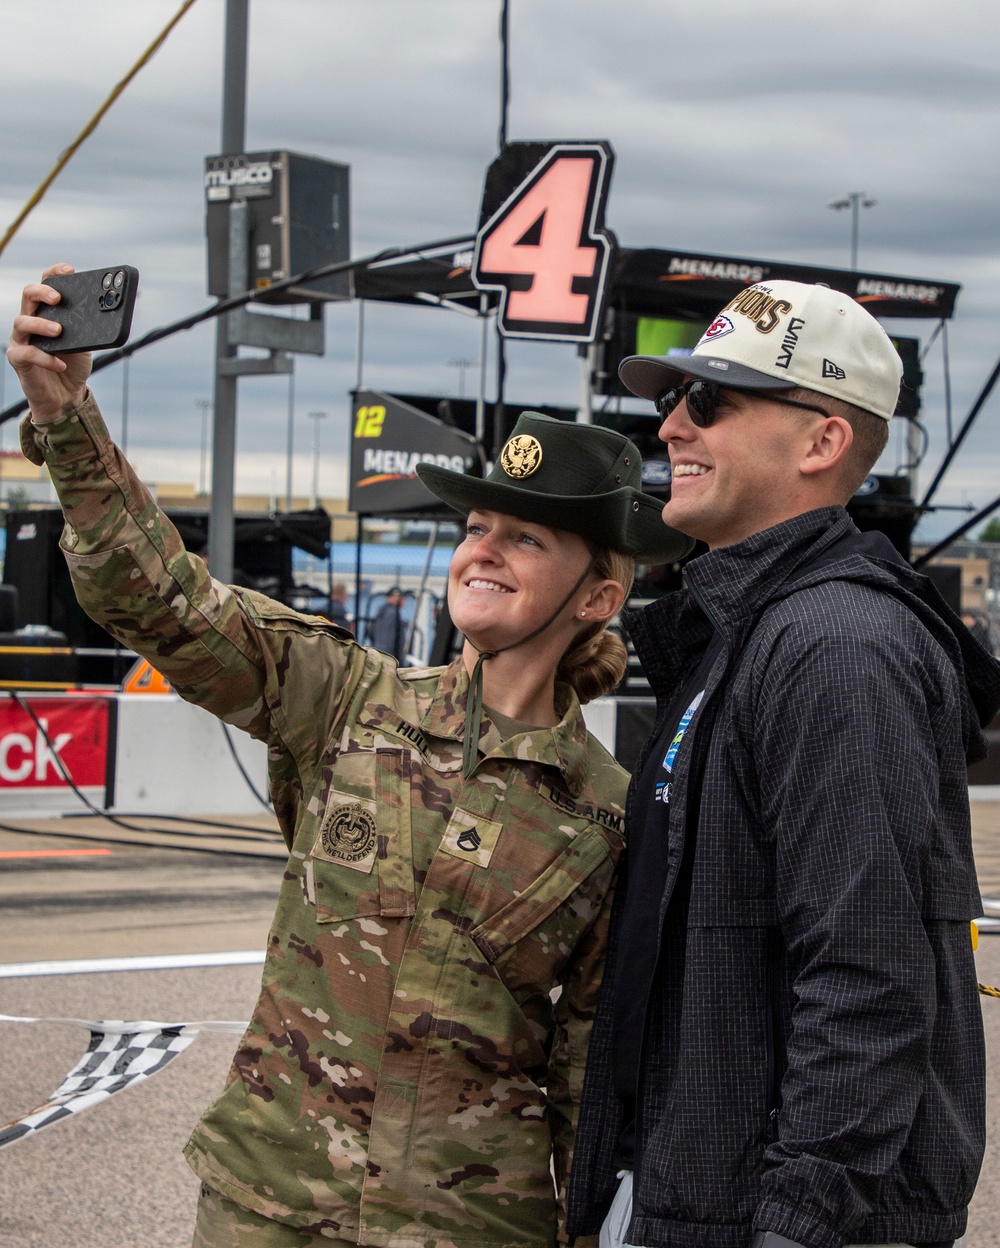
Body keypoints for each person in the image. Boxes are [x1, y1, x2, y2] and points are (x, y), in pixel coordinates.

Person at [7, 263, 692, 1248]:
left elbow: (595, 1077)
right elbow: (161, 601)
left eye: (526, 538)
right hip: (267, 1207)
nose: (482, 552)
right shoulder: (345, 698)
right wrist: (67, 415)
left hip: (467, 1226)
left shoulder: (609, 815)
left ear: (596, 594)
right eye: (475, 526)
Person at [566, 280, 1000, 1248]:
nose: (672, 425)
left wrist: (796, 1229)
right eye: (672, 399)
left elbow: (868, 981)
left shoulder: (835, 645)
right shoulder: (742, 633)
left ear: (821, 444)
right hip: (686, 1196)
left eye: (710, 401)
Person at [369, 585, 405, 659]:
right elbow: (389, 638)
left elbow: (370, 630)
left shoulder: (381, 612)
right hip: (388, 656)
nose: (403, 601)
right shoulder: (392, 613)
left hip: (378, 653)